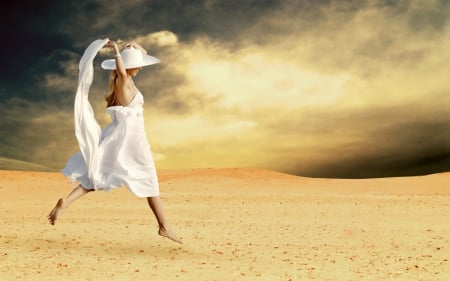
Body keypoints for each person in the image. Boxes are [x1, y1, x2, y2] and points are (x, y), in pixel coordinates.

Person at [47, 39, 182, 244]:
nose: (141, 67)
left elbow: (138, 59)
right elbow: (121, 70)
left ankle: (65, 204)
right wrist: (118, 51)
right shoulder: (124, 81)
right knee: (149, 180)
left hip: (119, 135)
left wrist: (134, 45)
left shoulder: (128, 81)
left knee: (96, 176)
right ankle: (164, 226)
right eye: (137, 64)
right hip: (131, 139)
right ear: (128, 66)